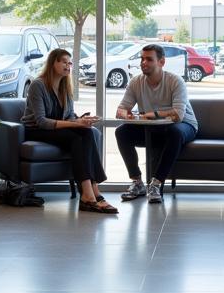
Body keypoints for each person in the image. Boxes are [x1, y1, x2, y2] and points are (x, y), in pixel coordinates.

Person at [22, 48, 116, 214]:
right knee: (77, 137)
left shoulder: (66, 87)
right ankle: (90, 194)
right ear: (53, 63)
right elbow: (41, 121)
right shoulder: (38, 85)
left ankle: (92, 193)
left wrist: (81, 121)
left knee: (87, 132)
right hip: (36, 130)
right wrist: (75, 124)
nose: (68, 65)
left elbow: (69, 116)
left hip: (56, 130)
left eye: (70, 63)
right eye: (64, 62)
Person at [115, 43, 198, 204]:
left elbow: (178, 115)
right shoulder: (135, 82)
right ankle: (137, 182)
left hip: (184, 125)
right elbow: (121, 109)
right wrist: (127, 114)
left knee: (174, 132)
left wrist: (155, 114)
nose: (143, 63)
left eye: (149, 59)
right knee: (122, 132)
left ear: (161, 62)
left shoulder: (175, 81)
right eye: (142, 59)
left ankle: (155, 185)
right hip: (153, 128)